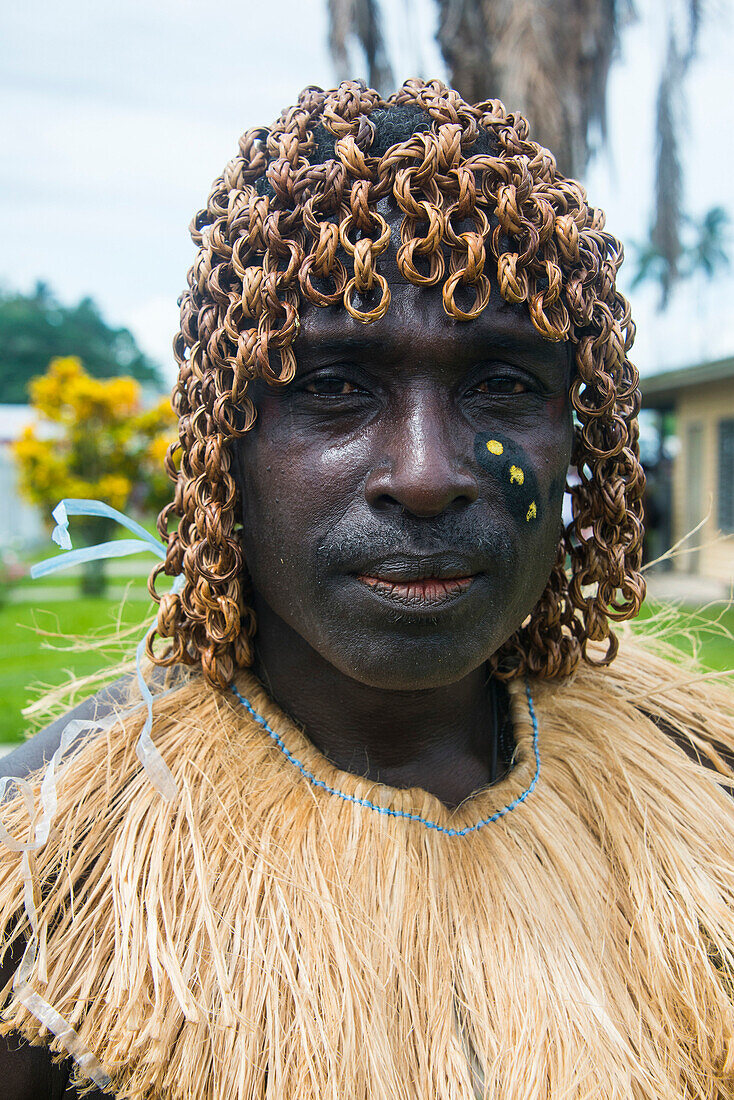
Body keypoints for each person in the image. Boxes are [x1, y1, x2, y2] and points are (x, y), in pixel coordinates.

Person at [0, 79, 732, 1100]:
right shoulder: (49, 861)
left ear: (582, 443)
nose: (428, 472)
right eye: (334, 387)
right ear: (226, 449)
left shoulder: (702, 805)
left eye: (501, 384)